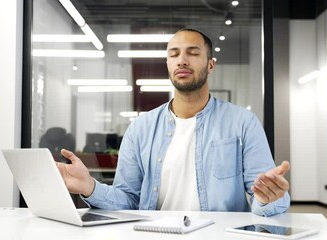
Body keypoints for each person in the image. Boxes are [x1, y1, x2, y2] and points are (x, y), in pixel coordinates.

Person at [57, 28, 290, 217]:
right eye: (174, 54)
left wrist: (269, 198)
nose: (182, 60)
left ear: (211, 64)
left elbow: (265, 195)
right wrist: (90, 187)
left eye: (193, 52)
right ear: (167, 64)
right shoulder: (140, 128)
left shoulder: (242, 122)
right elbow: (127, 199)